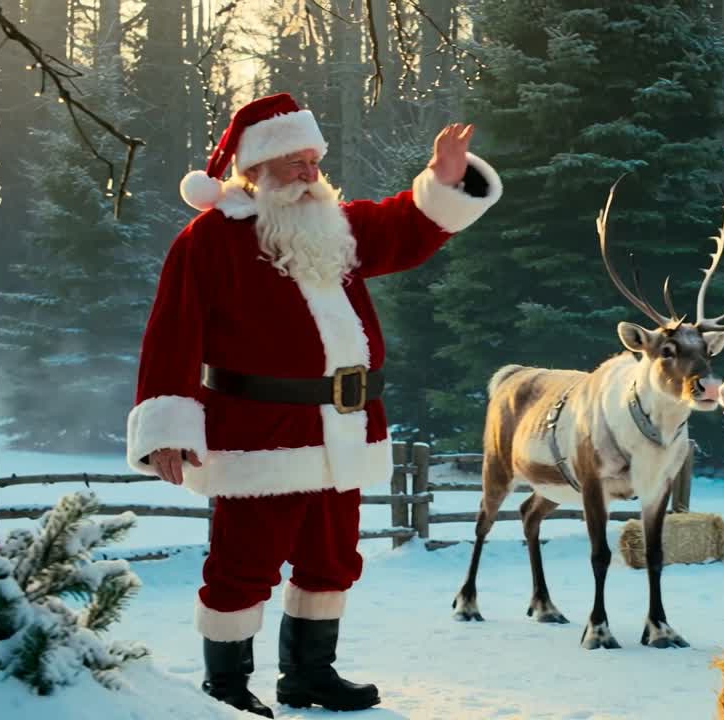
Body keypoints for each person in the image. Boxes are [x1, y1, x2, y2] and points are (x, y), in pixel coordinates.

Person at [125, 92, 501, 716]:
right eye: (293, 162)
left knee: (332, 557)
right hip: (257, 433)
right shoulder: (209, 240)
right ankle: (225, 688)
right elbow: (172, 332)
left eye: (312, 160)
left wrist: (445, 180)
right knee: (243, 565)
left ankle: (309, 674)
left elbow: (407, 230)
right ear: (256, 170)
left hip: (344, 429)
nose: (308, 173)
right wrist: (167, 427)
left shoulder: (337, 225)